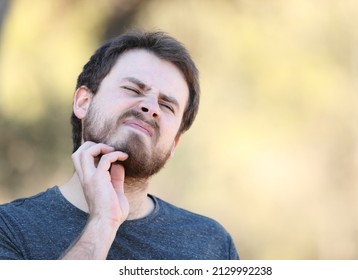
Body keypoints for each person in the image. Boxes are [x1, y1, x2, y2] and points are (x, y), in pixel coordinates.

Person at [0, 30, 239, 260]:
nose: (150, 107)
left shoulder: (211, 245)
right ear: (83, 102)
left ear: (174, 143)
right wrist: (103, 222)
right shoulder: (9, 229)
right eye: (133, 89)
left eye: (166, 106)